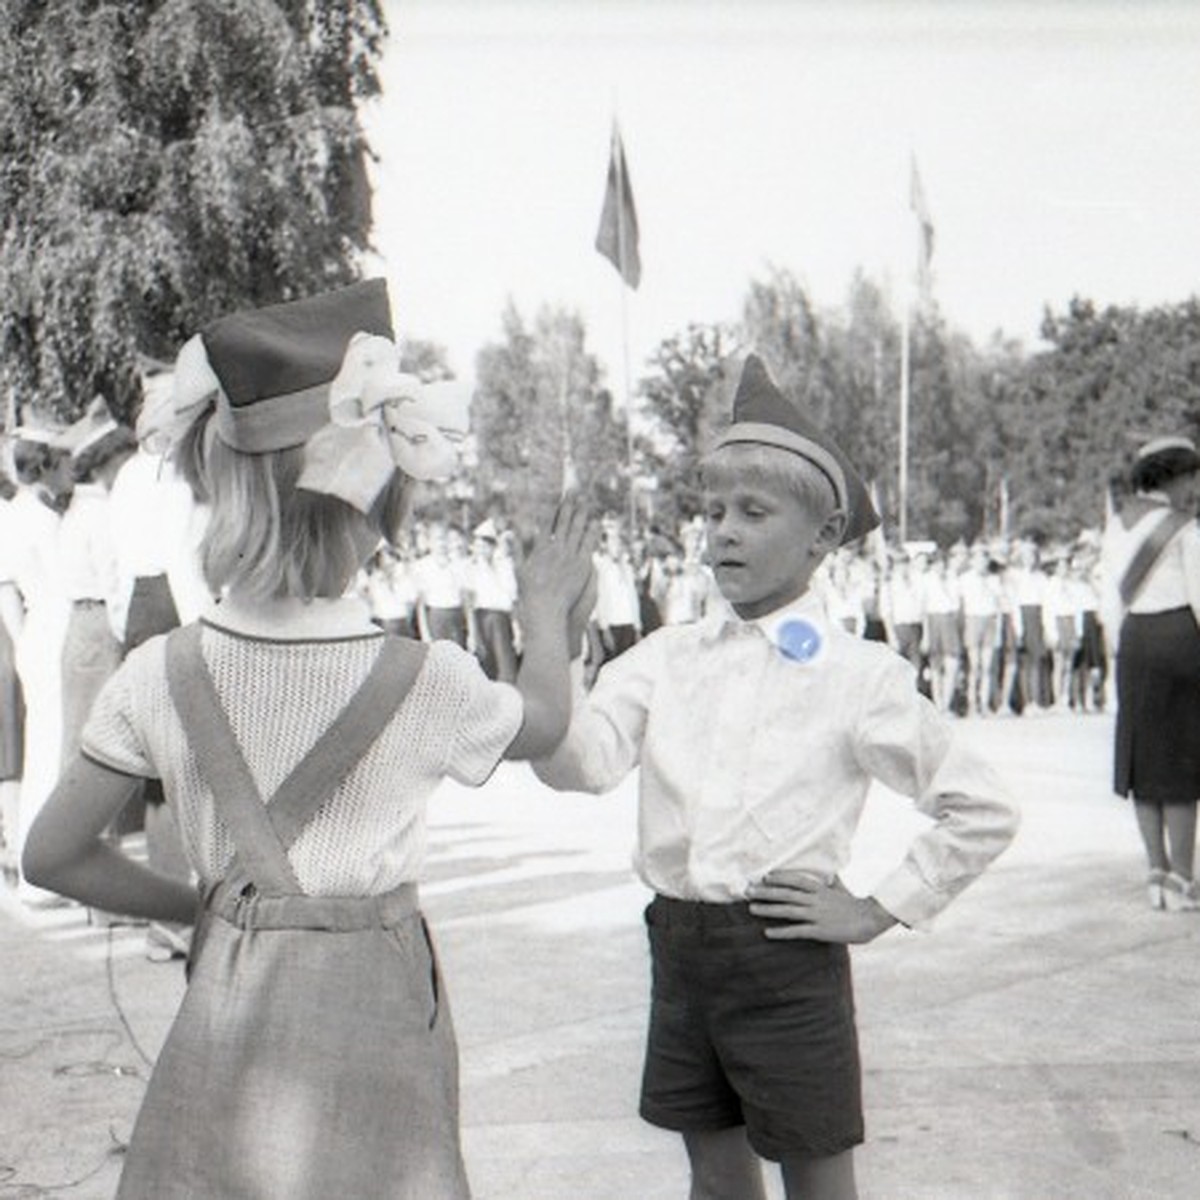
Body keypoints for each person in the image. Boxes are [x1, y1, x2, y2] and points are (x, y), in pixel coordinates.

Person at [23, 279, 595, 1200]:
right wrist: (546, 616)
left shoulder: (159, 673)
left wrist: (198, 907)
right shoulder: (428, 678)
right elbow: (550, 723)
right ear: (375, 509)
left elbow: (50, 856)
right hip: (378, 1024)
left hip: (231, 1011)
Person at [533, 354, 1019, 1200]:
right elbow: (580, 767)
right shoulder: (662, 659)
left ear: (823, 536)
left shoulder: (855, 674)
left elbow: (982, 806)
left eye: (754, 512)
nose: (722, 530)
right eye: (713, 510)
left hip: (785, 959)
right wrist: (555, 641)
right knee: (717, 1181)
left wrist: (878, 908)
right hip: (681, 949)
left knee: (819, 1185)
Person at [1099, 434, 1200, 912]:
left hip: (1135, 642)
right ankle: (1184, 878)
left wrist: (1121, 652)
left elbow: (1109, 602)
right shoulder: (1186, 528)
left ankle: (1156, 873)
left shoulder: (1117, 525)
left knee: (1143, 763)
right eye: (1191, 478)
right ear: (1175, 476)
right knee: (1181, 765)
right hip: (1181, 640)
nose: (1193, 490)